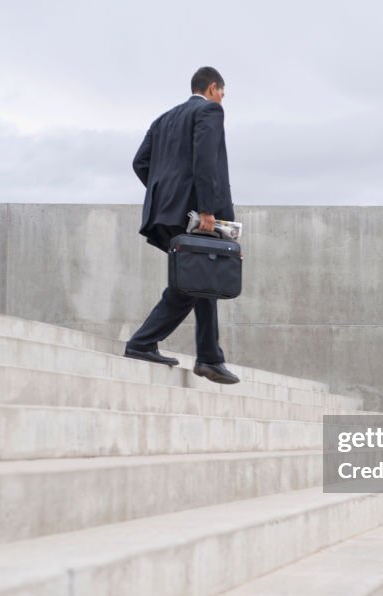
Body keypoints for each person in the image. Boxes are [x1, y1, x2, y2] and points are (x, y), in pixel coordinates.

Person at [123, 66, 240, 385]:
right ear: (213, 88)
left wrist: (166, 194)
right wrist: (205, 209)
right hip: (195, 214)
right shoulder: (209, 111)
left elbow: (140, 162)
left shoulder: (163, 120)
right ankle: (143, 342)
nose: (223, 99)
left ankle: (209, 358)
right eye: (223, 93)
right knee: (195, 277)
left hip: (166, 214)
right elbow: (205, 159)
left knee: (202, 277)